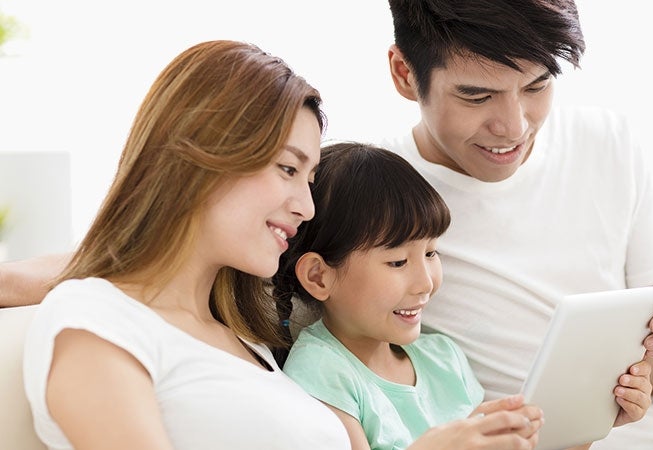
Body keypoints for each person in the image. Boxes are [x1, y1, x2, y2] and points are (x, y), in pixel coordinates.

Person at [16, 39, 573, 450]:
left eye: (309, 180)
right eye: (287, 169)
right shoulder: (100, 320)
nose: (306, 208)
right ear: (199, 157)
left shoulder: (247, 336)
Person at [380, 1, 653, 449]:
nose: (514, 127)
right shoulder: (372, 197)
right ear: (405, 73)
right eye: (477, 96)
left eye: (537, 85)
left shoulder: (607, 143)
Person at [271, 141, 653, 450]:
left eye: (431, 254)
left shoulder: (444, 359)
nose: (426, 282)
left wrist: (590, 417)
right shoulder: (322, 371)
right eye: (398, 262)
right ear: (319, 276)